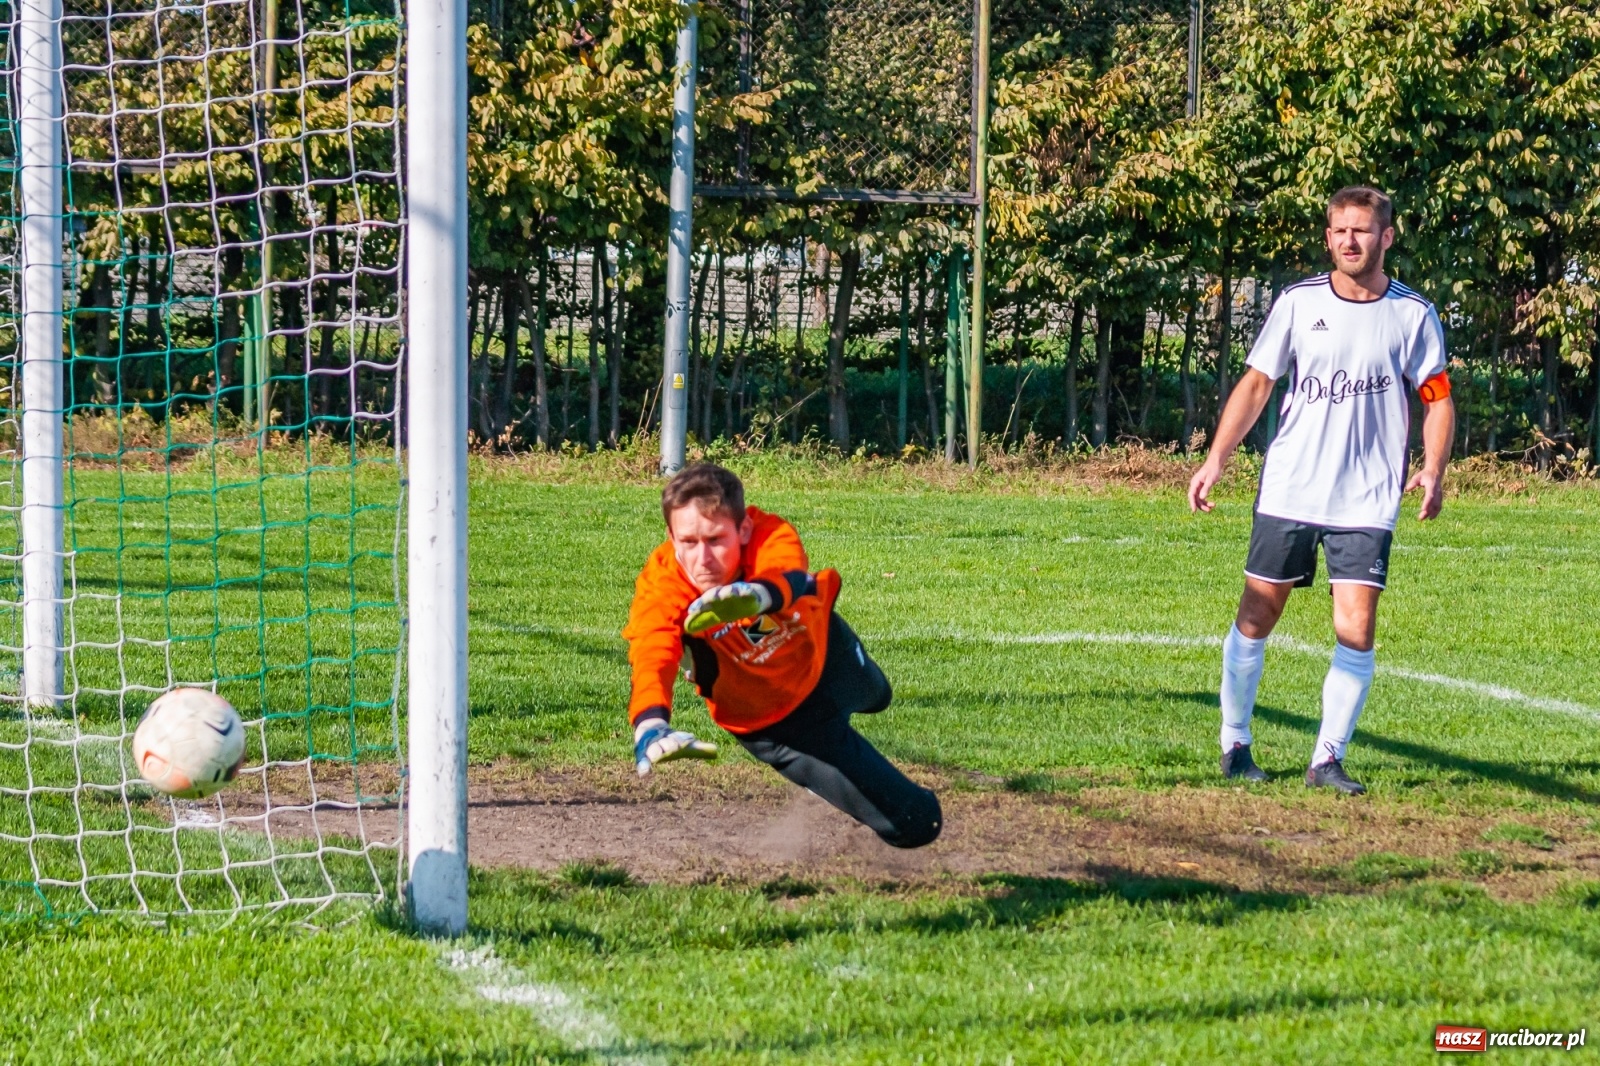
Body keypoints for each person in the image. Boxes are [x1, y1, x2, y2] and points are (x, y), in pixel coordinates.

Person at [1187, 185, 1456, 795]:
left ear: (1386, 237)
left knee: (1356, 627)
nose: (1349, 241)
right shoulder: (1297, 302)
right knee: (1259, 613)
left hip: (1367, 495)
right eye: (1339, 231)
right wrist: (1216, 460)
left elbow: (1437, 399)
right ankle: (1235, 742)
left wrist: (1433, 468)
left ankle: (1326, 758)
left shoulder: (1413, 314)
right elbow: (1257, 384)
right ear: (1328, 236)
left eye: (1361, 231)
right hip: (1291, 486)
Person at [622, 462, 942, 848]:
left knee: (879, 696)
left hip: (826, 657)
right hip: (775, 720)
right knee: (918, 825)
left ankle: (842, 737)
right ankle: (823, 779)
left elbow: (788, 572)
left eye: (715, 540)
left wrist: (757, 596)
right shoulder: (662, 588)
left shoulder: (769, 532)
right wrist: (650, 724)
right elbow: (651, 652)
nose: (702, 558)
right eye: (688, 542)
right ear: (672, 538)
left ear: (742, 530)